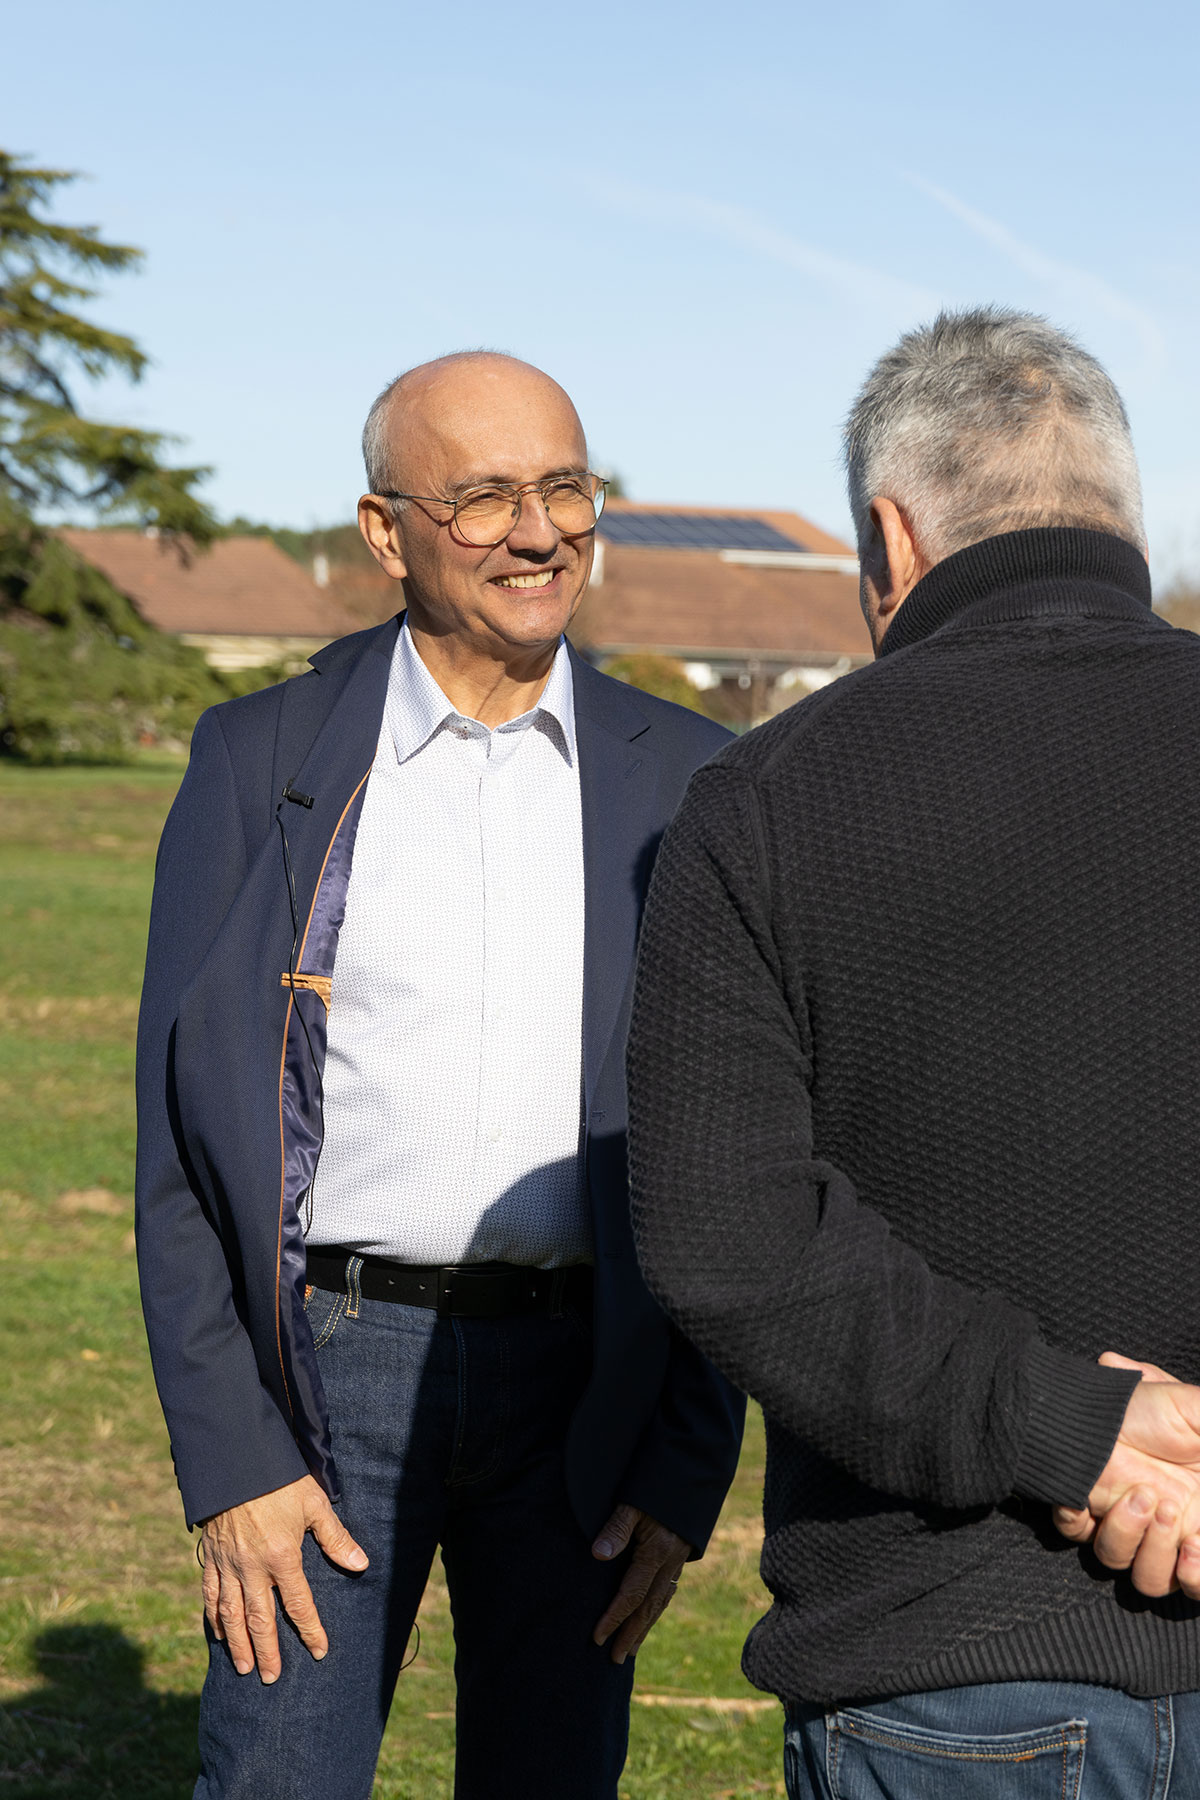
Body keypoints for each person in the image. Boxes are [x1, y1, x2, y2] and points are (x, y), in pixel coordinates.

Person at [135, 350, 744, 1800]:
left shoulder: (699, 787)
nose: (538, 533)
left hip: (584, 1393)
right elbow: (177, 1153)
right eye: (481, 498)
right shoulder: (254, 761)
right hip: (320, 1389)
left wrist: (679, 1463)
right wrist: (229, 1460)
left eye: (565, 489)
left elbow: (742, 1149)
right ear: (383, 529)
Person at [627, 308, 1200, 1798]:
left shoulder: (764, 799)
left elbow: (729, 1237)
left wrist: (1081, 1431)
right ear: (1123, 511)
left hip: (952, 1672)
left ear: (890, 537)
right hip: (969, 1670)